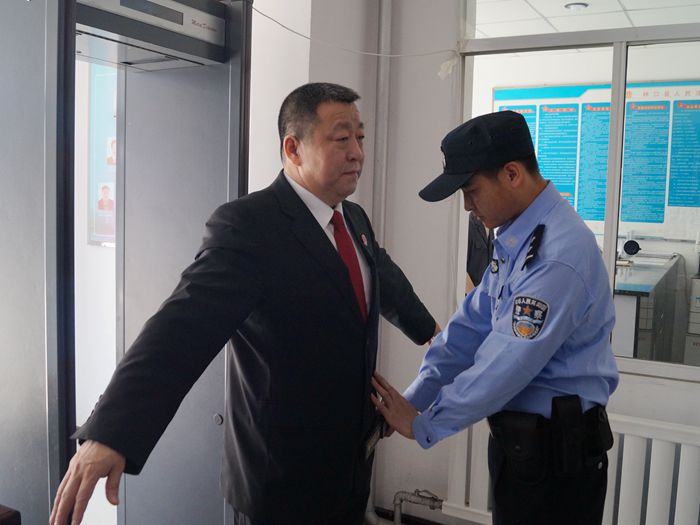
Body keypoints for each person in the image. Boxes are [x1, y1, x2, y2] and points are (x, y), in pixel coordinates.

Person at [50, 82, 438, 525]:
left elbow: (381, 274)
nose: (357, 152)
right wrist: (112, 431)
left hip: (349, 468)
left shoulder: (352, 217)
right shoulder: (251, 227)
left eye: (361, 137)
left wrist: (432, 333)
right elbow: (180, 330)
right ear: (293, 148)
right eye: (341, 138)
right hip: (281, 481)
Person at [371, 110, 619, 525]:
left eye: (471, 191)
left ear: (512, 174)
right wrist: (414, 398)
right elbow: (468, 330)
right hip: (524, 449)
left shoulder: (559, 254)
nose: (467, 206)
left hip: (558, 461)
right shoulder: (519, 238)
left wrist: (425, 424)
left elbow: (506, 362)